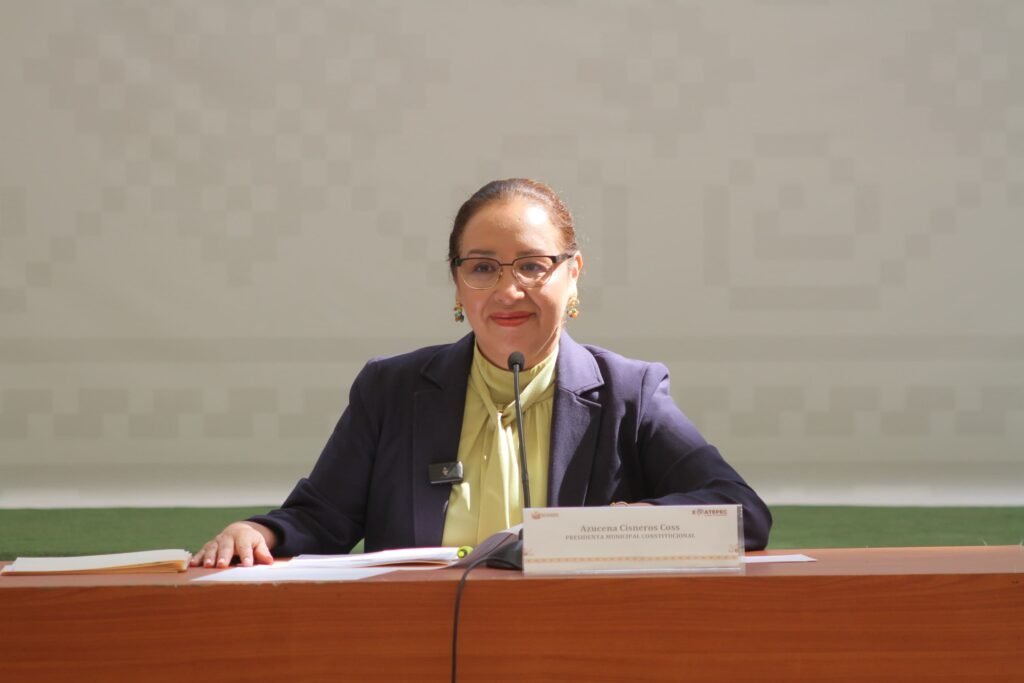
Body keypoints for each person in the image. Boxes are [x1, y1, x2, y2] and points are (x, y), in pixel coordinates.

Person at [190, 178, 772, 568]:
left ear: (573, 274)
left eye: (532, 266)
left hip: (577, 650)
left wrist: (627, 525)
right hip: (416, 649)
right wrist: (259, 533)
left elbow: (742, 513)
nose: (508, 290)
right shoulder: (391, 390)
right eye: (483, 268)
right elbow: (322, 517)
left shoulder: (628, 392)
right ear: (457, 283)